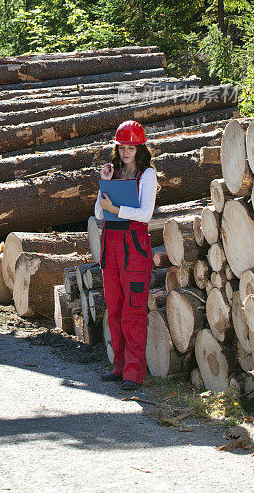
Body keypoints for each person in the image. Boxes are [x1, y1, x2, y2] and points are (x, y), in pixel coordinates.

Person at [95, 120, 158, 390]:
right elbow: (99, 213)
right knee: (115, 310)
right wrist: (105, 185)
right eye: (122, 147)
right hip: (111, 243)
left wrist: (116, 208)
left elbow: (145, 215)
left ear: (140, 147)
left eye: (131, 147)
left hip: (134, 245)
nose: (126, 152)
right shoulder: (115, 172)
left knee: (133, 312)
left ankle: (134, 373)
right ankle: (119, 367)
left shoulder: (148, 175)